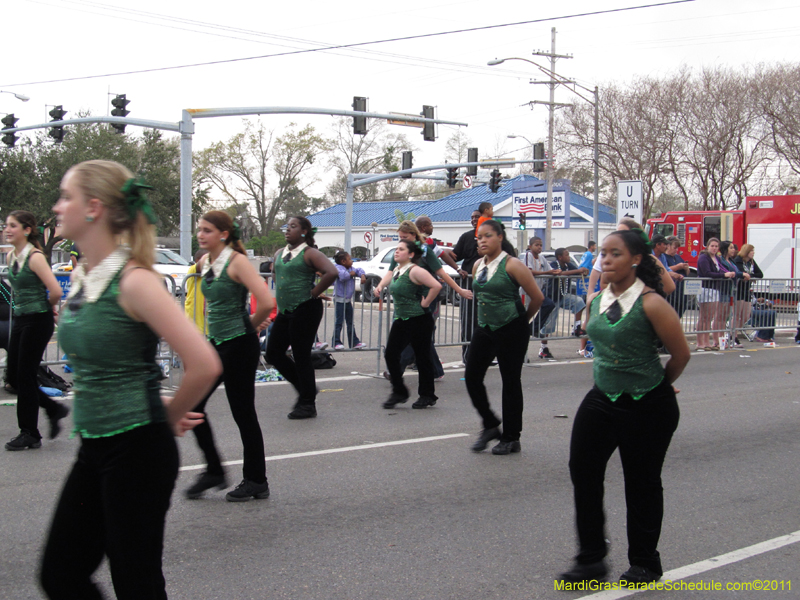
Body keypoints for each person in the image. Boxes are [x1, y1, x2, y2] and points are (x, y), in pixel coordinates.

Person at [41, 160, 221, 599]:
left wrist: (167, 415)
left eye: (67, 196)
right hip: (95, 444)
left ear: (94, 208)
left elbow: (204, 363)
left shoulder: (135, 281)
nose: (57, 205)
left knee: (135, 582)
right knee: (60, 574)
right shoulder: (85, 278)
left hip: (137, 450)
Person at [559, 229, 690, 585]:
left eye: (615, 253)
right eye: (603, 253)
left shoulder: (652, 303)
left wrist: (659, 386)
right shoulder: (597, 299)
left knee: (641, 482)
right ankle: (591, 559)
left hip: (648, 402)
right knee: (583, 471)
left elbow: (680, 354)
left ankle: (645, 562)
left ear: (635, 259)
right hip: (603, 396)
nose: (606, 260)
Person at [185, 211, 275, 501]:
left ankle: (256, 480)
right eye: (200, 229)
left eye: (207, 230)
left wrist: (248, 327)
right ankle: (214, 469)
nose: (201, 234)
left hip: (238, 346)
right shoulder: (205, 261)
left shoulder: (237, 262)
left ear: (224, 234)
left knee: (243, 412)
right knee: (193, 406)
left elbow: (267, 301)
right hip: (215, 343)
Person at [467, 220, 543, 454]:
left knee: (510, 382)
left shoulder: (513, 265)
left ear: (500, 237)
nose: (482, 240)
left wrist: (522, 323)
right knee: (471, 376)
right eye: (479, 237)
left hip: (512, 327)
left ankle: (511, 437)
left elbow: (537, 297)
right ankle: (490, 424)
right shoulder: (478, 265)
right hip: (485, 327)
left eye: (488, 236)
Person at [4, 210, 69, 450]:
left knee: (24, 375)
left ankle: (29, 433)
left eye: (12, 226)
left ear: (27, 230)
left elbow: (56, 290)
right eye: (6, 225)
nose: (7, 229)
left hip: (37, 320)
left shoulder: (35, 257)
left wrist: (48, 308)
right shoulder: (12, 255)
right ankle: (54, 409)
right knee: (14, 377)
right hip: (21, 319)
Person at [266, 216, 338, 419]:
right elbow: (276, 277)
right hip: (286, 310)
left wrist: (314, 292)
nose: (288, 230)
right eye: (287, 227)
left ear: (304, 231)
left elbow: (331, 272)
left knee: (301, 355)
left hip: (306, 309)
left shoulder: (310, 253)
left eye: (293, 226)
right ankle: (305, 388)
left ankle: (307, 404)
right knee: (273, 353)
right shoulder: (280, 253)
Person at [389, 221, 472, 381]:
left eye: (405, 237)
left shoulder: (425, 251)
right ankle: (435, 370)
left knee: (410, 335)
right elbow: (391, 272)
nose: (402, 241)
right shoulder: (400, 252)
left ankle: (396, 370)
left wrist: (459, 290)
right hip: (406, 301)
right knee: (420, 337)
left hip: (425, 300)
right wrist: (380, 286)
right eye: (400, 238)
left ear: (414, 235)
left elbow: (442, 273)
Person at [374, 240, 442, 409]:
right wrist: (380, 286)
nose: (396, 252)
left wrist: (425, 304)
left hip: (419, 319)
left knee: (422, 357)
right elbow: (388, 277)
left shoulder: (415, 270)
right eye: (396, 249)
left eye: (401, 249)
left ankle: (427, 395)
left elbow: (436, 285)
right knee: (391, 354)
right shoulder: (398, 270)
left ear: (411, 254)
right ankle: (400, 391)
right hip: (402, 319)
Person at [452, 210, 482, 362]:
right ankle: (468, 356)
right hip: (470, 285)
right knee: (469, 321)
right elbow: (455, 255)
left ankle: (485, 355)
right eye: (472, 217)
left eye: (477, 216)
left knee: (486, 322)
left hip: (489, 287)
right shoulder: (466, 237)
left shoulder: (495, 237)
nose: (474, 219)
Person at [695, 238, 735, 351]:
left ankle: (707, 341)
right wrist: (724, 275)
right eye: (712, 246)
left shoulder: (716, 258)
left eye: (716, 246)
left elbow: (721, 270)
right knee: (704, 316)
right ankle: (700, 342)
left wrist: (728, 273)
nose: (714, 248)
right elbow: (708, 273)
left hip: (715, 289)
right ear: (708, 246)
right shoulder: (704, 257)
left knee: (709, 317)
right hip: (705, 288)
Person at [522, 237, 558, 357]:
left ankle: (534, 327)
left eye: (541, 245)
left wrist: (556, 272)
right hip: (526, 291)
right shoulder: (529, 256)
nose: (539, 247)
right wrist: (547, 273)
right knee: (524, 316)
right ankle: (521, 351)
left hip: (537, 291)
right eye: (537, 245)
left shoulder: (542, 258)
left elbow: (550, 270)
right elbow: (529, 271)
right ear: (530, 246)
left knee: (549, 304)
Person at [332, 250, 367, 350]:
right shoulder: (338, 268)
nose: (352, 261)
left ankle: (354, 342)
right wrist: (352, 274)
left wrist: (362, 275)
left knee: (350, 322)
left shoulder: (351, 268)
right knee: (339, 321)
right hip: (339, 299)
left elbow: (359, 270)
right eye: (350, 259)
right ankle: (336, 342)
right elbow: (343, 276)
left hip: (347, 300)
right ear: (343, 261)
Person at [719, 240, 749, 348]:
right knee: (721, 316)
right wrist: (742, 274)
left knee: (728, 315)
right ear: (725, 249)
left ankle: (728, 338)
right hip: (724, 290)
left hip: (732, 290)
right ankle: (720, 339)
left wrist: (741, 275)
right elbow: (728, 272)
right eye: (731, 248)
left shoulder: (731, 260)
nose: (733, 250)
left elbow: (735, 272)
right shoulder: (721, 260)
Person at [733, 243, 763, 341]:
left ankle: (735, 330)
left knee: (746, 315)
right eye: (751, 251)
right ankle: (733, 335)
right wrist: (747, 276)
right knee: (737, 314)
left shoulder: (751, 262)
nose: (753, 253)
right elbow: (741, 273)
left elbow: (760, 274)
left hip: (747, 289)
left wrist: (750, 276)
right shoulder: (738, 260)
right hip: (739, 289)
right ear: (746, 251)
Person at [663, 236, 690, 317]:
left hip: (681, 291)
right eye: (674, 248)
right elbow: (665, 269)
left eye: (677, 248)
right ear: (668, 246)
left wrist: (686, 268)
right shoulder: (663, 257)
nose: (676, 250)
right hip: (671, 292)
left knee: (680, 311)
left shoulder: (678, 257)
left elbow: (687, 273)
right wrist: (678, 267)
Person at [184, 249, 208, 335]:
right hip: (195, 323)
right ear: (198, 260)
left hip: (209, 325)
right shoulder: (193, 270)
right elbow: (205, 263)